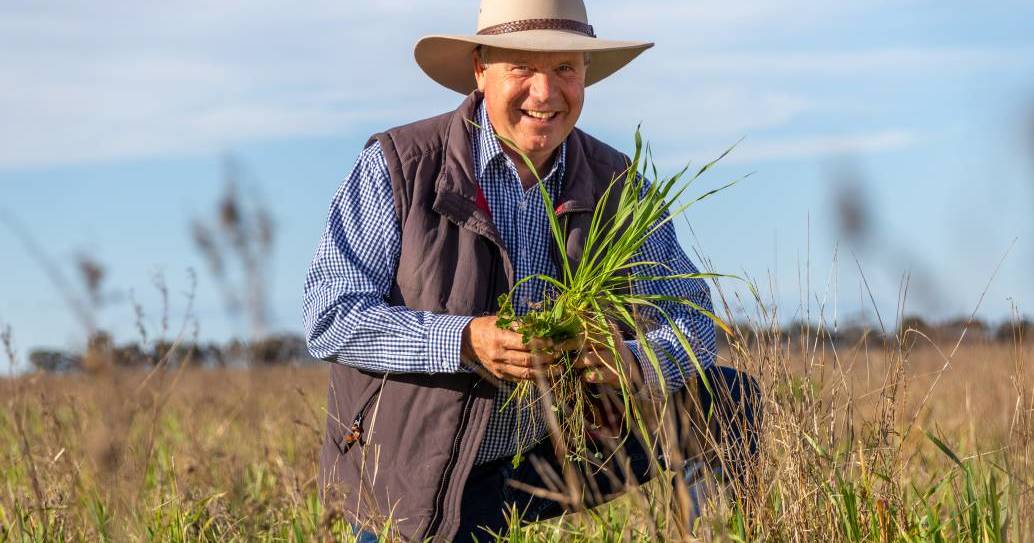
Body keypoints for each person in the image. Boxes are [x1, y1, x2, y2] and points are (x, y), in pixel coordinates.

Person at [302, 0, 761, 540]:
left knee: (725, 400)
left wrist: (628, 360)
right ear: (480, 70)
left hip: (554, 446)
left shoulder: (615, 181)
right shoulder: (399, 165)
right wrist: (467, 341)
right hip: (424, 469)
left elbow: (694, 323)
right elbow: (329, 315)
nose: (545, 94)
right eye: (521, 67)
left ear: (584, 75)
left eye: (565, 69)